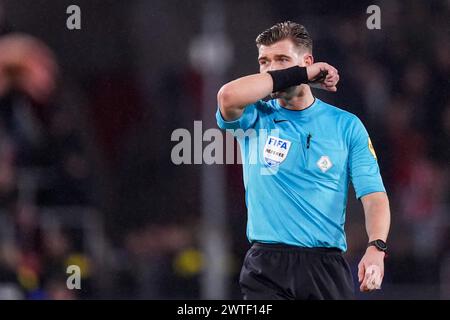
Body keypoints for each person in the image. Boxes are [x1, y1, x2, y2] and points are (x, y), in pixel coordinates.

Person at [216, 21, 390, 300]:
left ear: (307, 61)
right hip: (266, 267)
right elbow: (227, 96)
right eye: (264, 61)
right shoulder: (255, 117)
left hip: (326, 268)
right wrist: (299, 74)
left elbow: (374, 196)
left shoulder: (346, 126)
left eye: (282, 59)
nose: (271, 68)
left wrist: (376, 248)